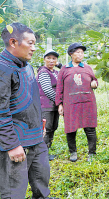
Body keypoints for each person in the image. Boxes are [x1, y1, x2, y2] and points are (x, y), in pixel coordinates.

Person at [0, 23, 51, 198]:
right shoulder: (3, 69)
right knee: (13, 193)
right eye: (30, 43)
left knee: (42, 185)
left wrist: (39, 124)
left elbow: (32, 99)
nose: (34, 48)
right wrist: (12, 145)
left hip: (36, 139)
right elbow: (1, 111)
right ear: (13, 42)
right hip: (15, 145)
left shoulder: (27, 66)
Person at [55, 42, 98, 162]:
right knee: (71, 128)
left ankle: (92, 152)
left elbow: (95, 80)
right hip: (70, 103)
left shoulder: (87, 67)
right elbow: (59, 87)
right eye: (78, 52)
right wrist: (60, 104)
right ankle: (73, 152)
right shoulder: (64, 69)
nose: (81, 54)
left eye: (82, 52)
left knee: (90, 128)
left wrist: (95, 84)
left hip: (87, 103)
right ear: (71, 54)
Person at [37, 49, 60, 161]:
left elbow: (65, 70)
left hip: (54, 106)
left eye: (54, 58)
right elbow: (47, 90)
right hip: (46, 105)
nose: (51, 60)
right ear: (44, 59)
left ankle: (47, 150)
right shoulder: (43, 72)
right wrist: (59, 102)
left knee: (53, 127)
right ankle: (42, 154)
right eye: (48, 58)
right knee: (47, 128)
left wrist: (59, 64)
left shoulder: (55, 72)